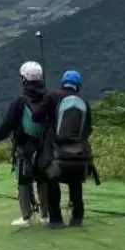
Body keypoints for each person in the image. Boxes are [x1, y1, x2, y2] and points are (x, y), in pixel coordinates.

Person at [0, 61, 50, 228]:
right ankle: (45, 216)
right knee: (43, 180)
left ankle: (26, 217)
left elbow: (6, 125)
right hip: (45, 147)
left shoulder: (20, 102)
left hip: (25, 147)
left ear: (24, 79)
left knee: (24, 181)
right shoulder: (49, 98)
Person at [33, 69, 93, 228]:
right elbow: (88, 128)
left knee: (52, 183)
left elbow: (36, 116)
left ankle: (56, 220)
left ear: (63, 82)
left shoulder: (52, 96)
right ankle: (77, 218)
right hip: (78, 154)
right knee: (75, 184)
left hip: (56, 153)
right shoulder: (83, 102)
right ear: (78, 85)